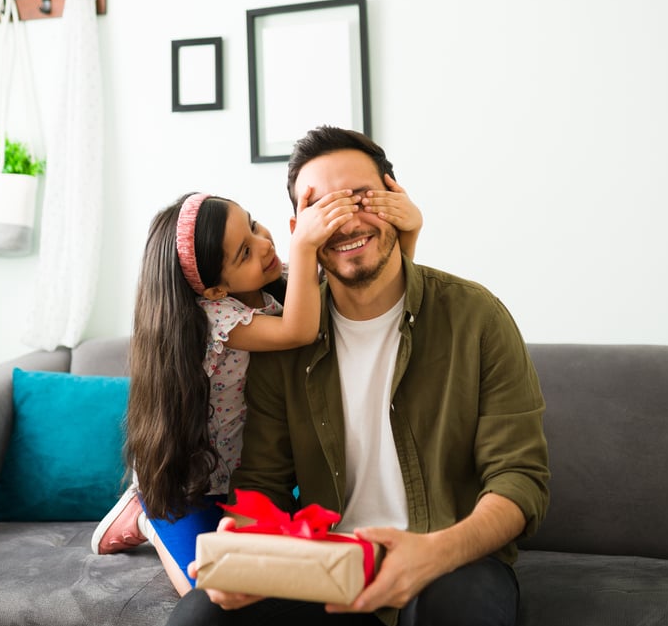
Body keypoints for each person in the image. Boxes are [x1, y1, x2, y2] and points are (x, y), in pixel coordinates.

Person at [170, 126, 550, 626]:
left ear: (395, 200)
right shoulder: (284, 341)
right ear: (299, 229)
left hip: (452, 563)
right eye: (323, 207)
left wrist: (436, 551)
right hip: (325, 566)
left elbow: (520, 479)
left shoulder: (477, 317)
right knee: (201, 615)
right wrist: (240, 557)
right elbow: (261, 484)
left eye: (360, 198)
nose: (346, 221)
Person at [93, 181, 423, 596]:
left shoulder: (282, 286)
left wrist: (408, 234)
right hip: (190, 483)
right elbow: (299, 331)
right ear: (214, 290)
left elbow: (369, 296)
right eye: (244, 252)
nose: (264, 243)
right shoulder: (213, 317)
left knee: (276, 571)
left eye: (252, 226)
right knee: (209, 586)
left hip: (249, 475)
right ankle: (147, 519)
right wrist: (303, 243)